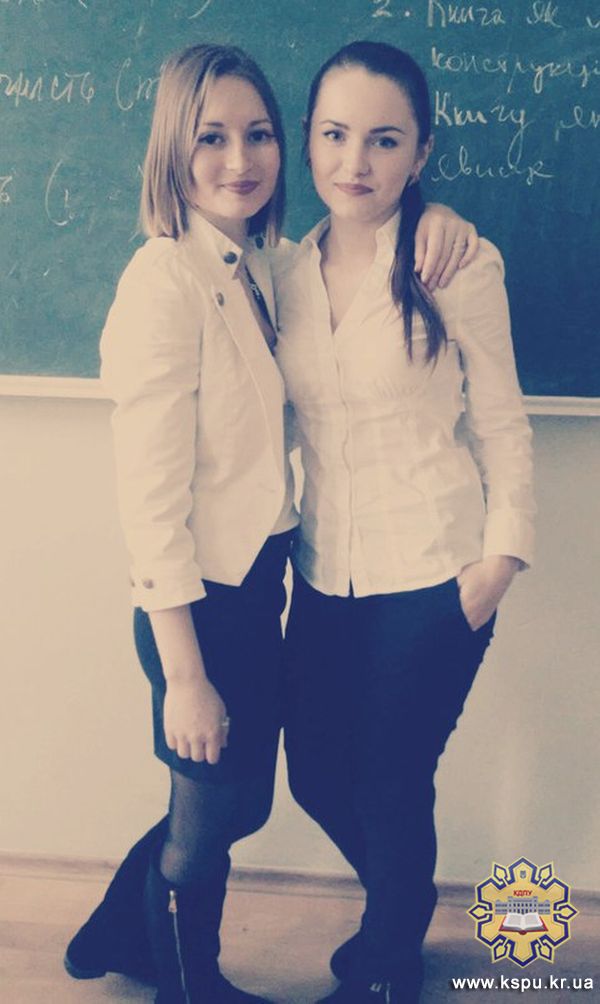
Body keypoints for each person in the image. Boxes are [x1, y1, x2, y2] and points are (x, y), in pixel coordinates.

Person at [63, 42, 478, 1003]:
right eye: (211, 137)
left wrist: (433, 213)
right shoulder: (163, 282)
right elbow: (149, 502)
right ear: (172, 150)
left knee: (238, 801)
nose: (240, 159)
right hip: (196, 604)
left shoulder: (264, 266)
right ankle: (188, 983)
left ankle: (122, 934)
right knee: (215, 810)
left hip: (259, 587)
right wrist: (185, 675)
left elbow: (366, 241)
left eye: (257, 134)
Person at [277, 41, 535, 1004]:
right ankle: (405, 902)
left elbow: (503, 422)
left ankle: (386, 966)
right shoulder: (279, 274)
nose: (356, 162)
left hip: (435, 571)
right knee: (315, 776)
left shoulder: (456, 261)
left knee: (391, 781)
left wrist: (499, 563)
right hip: (324, 570)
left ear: (421, 152)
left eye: (385, 140)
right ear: (308, 142)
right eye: (336, 135)